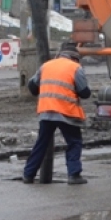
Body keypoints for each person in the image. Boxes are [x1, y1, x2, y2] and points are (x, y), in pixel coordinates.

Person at [23, 42, 92, 184]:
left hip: (46, 111)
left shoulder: (46, 65)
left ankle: (28, 175)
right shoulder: (75, 68)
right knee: (74, 142)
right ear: (75, 57)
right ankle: (74, 175)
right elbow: (84, 92)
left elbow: (32, 86)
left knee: (41, 143)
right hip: (66, 112)